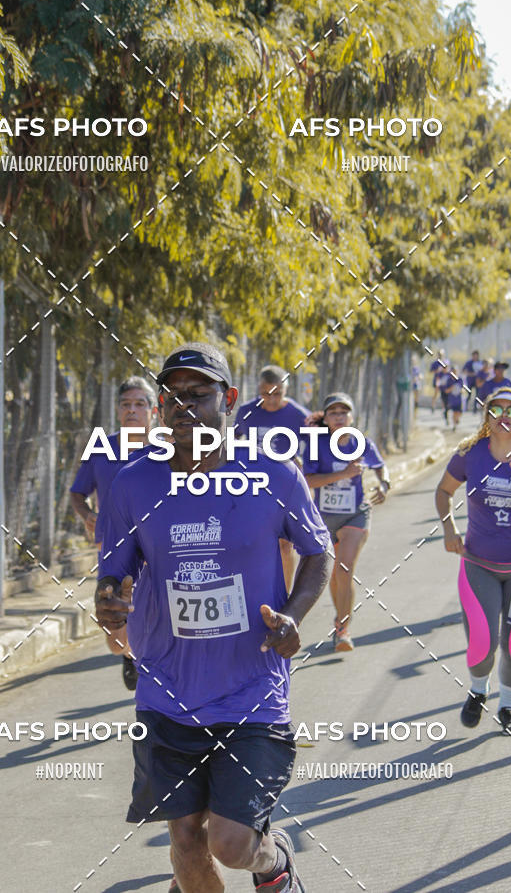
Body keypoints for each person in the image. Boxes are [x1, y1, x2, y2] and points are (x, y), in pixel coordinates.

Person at [95, 342, 332, 893]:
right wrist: (108, 601)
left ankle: (273, 861)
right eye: (171, 396)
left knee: (231, 843)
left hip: (252, 691)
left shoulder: (273, 473)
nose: (183, 406)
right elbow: (113, 570)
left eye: (198, 394)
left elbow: (318, 551)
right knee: (185, 842)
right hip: (167, 692)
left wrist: (293, 616)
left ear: (228, 400)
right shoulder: (133, 484)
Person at [435, 387, 511, 736]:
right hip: (478, 564)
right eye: (496, 408)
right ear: (487, 416)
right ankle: (478, 691)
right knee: (483, 645)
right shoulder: (470, 453)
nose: (504, 415)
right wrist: (449, 527)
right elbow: (444, 491)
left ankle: (507, 706)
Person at [70, 376, 157, 690]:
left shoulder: (168, 449)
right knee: (115, 637)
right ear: (118, 410)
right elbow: (77, 493)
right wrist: (87, 516)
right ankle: (131, 655)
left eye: (139, 404)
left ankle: (153, 666)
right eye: (125, 404)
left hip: (158, 551)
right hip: (114, 551)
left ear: (154, 411)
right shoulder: (102, 447)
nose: (132, 410)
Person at [302, 392, 389, 652]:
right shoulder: (317, 445)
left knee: (344, 569)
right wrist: (344, 474)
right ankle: (340, 621)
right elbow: (308, 480)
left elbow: (380, 466)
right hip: (324, 517)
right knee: (334, 577)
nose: (339, 417)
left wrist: (384, 483)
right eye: (333, 413)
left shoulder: (362, 443)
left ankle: (343, 629)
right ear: (326, 419)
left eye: (344, 413)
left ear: (351, 417)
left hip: (355, 514)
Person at [234, 365, 311, 592]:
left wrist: (304, 467)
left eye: (277, 393)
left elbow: (317, 444)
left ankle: (285, 599)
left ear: (286, 391)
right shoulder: (246, 411)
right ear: (259, 390)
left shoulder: (298, 415)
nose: (271, 399)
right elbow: (233, 441)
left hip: (285, 487)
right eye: (266, 393)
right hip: (252, 487)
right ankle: (256, 592)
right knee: (253, 543)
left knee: (285, 545)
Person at [443, 365, 463, 431]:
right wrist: (452, 388)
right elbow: (446, 391)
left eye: (455, 371)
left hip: (459, 399)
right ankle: (454, 425)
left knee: (459, 412)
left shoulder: (460, 379)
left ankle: (457, 419)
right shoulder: (449, 380)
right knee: (454, 412)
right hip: (452, 399)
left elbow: (462, 388)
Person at [429, 349, 449, 414]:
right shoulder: (435, 363)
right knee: (436, 393)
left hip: (444, 381)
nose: (440, 356)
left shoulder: (446, 362)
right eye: (439, 354)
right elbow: (431, 371)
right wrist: (437, 371)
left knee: (443, 395)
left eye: (441, 355)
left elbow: (448, 370)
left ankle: (444, 408)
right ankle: (433, 405)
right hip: (437, 380)